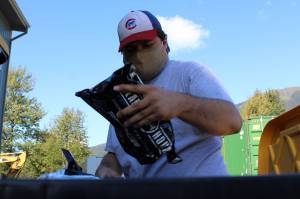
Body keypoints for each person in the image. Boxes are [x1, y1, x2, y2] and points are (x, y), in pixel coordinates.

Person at [95, 10, 242, 178]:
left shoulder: (190, 73)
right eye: (131, 49)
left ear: (164, 43)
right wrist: (107, 170)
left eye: (147, 44)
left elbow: (232, 122)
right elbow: (114, 155)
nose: (139, 54)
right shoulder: (120, 95)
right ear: (123, 55)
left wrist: (180, 104)